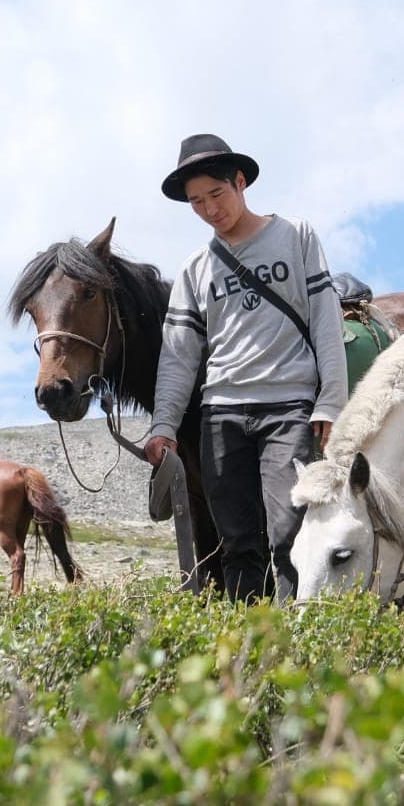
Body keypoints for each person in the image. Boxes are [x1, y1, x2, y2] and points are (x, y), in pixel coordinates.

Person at [142, 134, 348, 603]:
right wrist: (163, 424)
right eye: (197, 202)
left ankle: (299, 648)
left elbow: (325, 321)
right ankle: (249, 658)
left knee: (289, 535)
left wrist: (331, 400)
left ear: (240, 182)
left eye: (216, 194)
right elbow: (178, 354)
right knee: (235, 543)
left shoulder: (296, 235)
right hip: (222, 416)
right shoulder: (195, 269)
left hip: (289, 408)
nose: (210, 209)